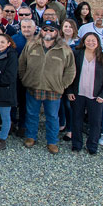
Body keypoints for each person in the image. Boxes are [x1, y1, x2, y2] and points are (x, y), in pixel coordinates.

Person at [19, 21, 76, 155]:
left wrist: (62, 85)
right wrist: (25, 79)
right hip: (33, 87)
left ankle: (52, 141)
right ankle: (31, 137)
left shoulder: (65, 49)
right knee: (32, 114)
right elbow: (22, 63)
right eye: (45, 29)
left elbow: (70, 71)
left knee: (52, 117)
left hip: (53, 90)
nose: (48, 32)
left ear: (56, 32)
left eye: (51, 30)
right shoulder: (32, 45)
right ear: (41, 31)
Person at [66, 32, 103, 155]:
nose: (91, 43)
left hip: (95, 96)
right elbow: (70, 74)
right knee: (76, 120)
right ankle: (76, 144)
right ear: (84, 41)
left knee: (95, 122)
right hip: (78, 93)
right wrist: (69, 90)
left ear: (98, 43)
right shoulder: (77, 54)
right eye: (88, 40)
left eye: (93, 41)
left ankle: (92, 145)